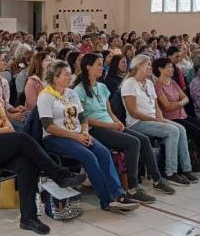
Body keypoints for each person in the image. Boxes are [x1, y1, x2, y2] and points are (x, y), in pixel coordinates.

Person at [0, 62, 86, 235]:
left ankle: (28, 218)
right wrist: (2, 131)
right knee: (22, 139)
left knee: (26, 162)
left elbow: (6, 121)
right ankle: (59, 175)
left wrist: (7, 132)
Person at [38, 59, 140, 212]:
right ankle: (106, 200)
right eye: (66, 75)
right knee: (89, 157)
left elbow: (83, 118)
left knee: (104, 153)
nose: (69, 77)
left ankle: (118, 195)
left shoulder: (71, 93)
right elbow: (49, 126)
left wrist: (84, 132)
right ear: (55, 77)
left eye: (69, 74)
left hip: (78, 135)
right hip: (55, 138)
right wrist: (75, 136)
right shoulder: (45, 96)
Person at [74, 53, 176, 202]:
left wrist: (117, 122)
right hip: (95, 129)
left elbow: (108, 111)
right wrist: (110, 125)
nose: (102, 67)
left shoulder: (101, 87)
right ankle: (132, 188)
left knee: (143, 140)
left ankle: (157, 179)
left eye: (102, 64)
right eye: (98, 65)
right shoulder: (79, 90)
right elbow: (85, 118)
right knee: (133, 142)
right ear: (88, 67)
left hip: (110, 124)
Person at [121, 55, 196, 186]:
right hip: (137, 123)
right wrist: (156, 120)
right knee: (172, 131)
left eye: (150, 64)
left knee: (181, 129)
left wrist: (160, 118)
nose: (150, 67)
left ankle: (186, 168)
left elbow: (156, 106)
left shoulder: (149, 83)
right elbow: (133, 112)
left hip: (153, 119)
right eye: (147, 65)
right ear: (138, 66)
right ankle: (170, 172)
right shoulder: (129, 84)